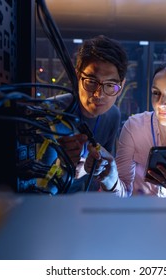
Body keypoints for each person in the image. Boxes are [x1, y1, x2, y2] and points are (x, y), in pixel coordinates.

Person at [85, 58, 166, 197]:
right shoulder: (135, 127)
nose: (161, 103)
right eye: (156, 93)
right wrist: (110, 178)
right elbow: (122, 193)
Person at [43, 35, 128, 193]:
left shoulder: (113, 115)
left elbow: (103, 175)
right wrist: (63, 166)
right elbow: (36, 190)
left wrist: (97, 168)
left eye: (110, 85)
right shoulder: (49, 112)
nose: (98, 94)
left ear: (121, 86)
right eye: (91, 81)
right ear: (77, 76)